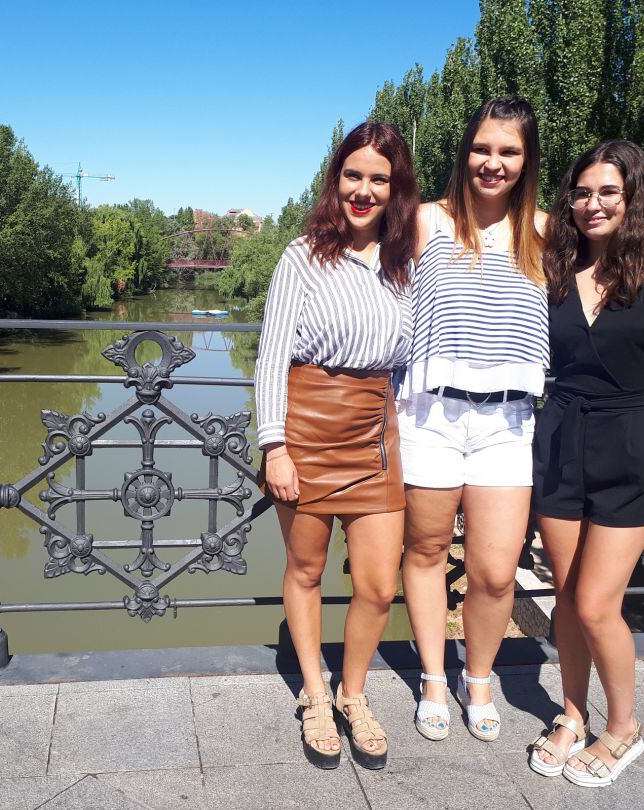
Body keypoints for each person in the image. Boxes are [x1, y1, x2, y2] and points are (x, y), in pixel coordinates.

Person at [528, 140, 644, 786]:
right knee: (564, 594)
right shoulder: (559, 263)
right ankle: (574, 714)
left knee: (596, 602)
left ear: (633, 194)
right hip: (559, 441)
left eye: (607, 191)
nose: (593, 203)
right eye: (581, 193)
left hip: (630, 445)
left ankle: (624, 727)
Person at [254, 121, 418, 771]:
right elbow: (270, 358)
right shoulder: (302, 255)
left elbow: (408, 361)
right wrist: (275, 447)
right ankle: (316, 696)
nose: (364, 189)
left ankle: (356, 693)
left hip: (375, 437)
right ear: (336, 180)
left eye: (379, 178)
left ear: (394, 188)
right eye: (354, 175)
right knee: (307, 571)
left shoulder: (407, 265)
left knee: (379, 585)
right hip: (306, 429)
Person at [398, 96, 548, 743]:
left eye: (508, 151)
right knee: (428, 551)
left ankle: (476, 677)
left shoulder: (547, 232)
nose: (493, 162)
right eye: (482, 148)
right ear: (465, 152)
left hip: (508, 424)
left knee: (493, 571)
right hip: (428, 412)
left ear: (526, 160)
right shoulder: (426, 221)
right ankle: (434, 676)